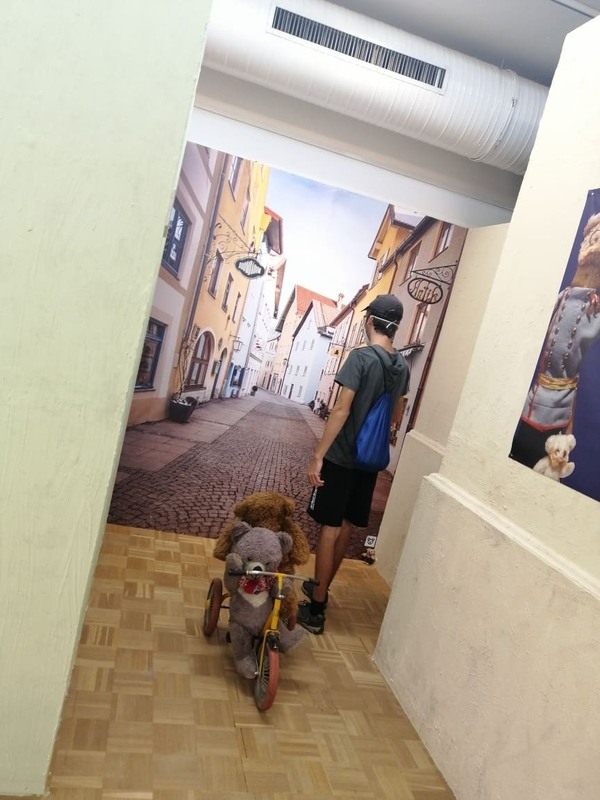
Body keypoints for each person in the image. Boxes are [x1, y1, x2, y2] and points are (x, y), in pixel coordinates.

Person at [297, 294, 410, 634]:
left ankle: (316, 609)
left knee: (329, 528)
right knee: (346, 525)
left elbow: (341, 409)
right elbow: (398, 413)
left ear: (370, 321)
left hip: (343, 455)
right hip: (370, 461)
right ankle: (322, 588)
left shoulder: (361, 357)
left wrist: (318, 455)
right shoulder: (402, 366)